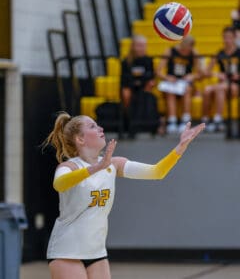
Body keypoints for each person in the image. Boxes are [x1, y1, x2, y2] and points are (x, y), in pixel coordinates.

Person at [45, 112, 204, 279]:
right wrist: (97, 167)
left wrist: (181, 147)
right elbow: (59, 184)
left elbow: (157, 172)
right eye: (92, 126)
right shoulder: (69, 166)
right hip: (66, 250)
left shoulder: (113, 164)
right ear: (80, 139)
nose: (100, 128)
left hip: (96, 252)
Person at [156, 36, 202, 134]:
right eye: (183, 50)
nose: (185, 52)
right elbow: (158, 72)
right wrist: (167, 78)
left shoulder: (194, 53)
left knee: (187, 89)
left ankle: (185, 121)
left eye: (187, 50)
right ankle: (172, 121)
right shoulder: (170, 51)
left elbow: (200, 73)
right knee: (170, 92)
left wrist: (191, 76)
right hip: (172, 82)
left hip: (186, 83)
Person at [202, 27, 240, 132]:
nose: (227, 40)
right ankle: (205, 121)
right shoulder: (220, 53)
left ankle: (218, 120)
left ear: (234, 38)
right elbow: (206, 72)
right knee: (207, 90)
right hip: (223, 84)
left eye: (229, 37)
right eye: (225, 37)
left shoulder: (238, 52)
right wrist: (217, 74)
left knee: (220, 88)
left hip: (236, 85)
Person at [121, 35, 155, 109]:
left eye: (143, 46)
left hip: (143, 83)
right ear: (133, 47)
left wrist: (141, 82)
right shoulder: (126, 61)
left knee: (150, 84)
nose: (141, 48)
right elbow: (124, 76)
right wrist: (134, 82)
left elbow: (151, 75)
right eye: (139, 46)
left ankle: (144, 113)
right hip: (130, 84)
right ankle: (128, 115)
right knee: (126, 93)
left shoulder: (148, 59)